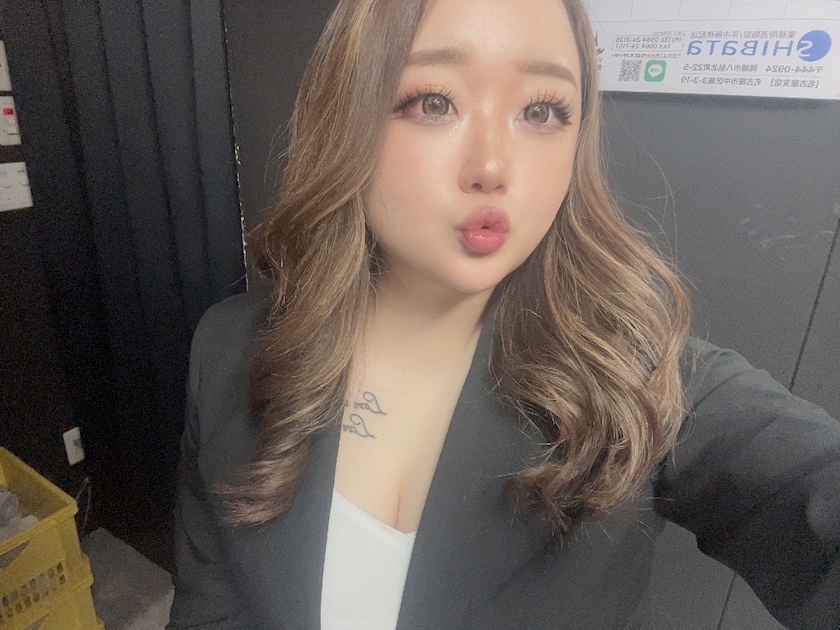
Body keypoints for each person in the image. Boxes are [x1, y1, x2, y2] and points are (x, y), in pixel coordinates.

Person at [167, 0, 840, 628]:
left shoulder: (632, 373)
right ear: (347, 116)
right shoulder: (228, 350)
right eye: (434, 102)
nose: (493, 165)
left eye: (541, 111)